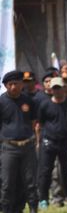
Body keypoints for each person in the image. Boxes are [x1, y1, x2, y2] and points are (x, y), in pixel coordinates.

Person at [36, 77, 67, 209]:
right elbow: (39, 124)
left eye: (59, 88)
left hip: (65, 142)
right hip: (48, 142)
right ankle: (43, 199)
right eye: (54, 88)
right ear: (50, 89)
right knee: (45, 171)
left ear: (64, 88)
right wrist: (39, 142)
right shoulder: (45, 104)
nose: (57, 91)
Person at [0, 71, 38, 213]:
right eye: (10, 84)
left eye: (16, 83)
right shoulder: (1, 101)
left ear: (22, 84)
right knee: (7, 183)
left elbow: (34, 122)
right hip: (8, 148)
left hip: (27, 146)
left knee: (30, 183)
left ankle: (33, 209)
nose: (14, 87)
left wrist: (33, 139)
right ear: (5, 86)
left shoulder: (29, 101)